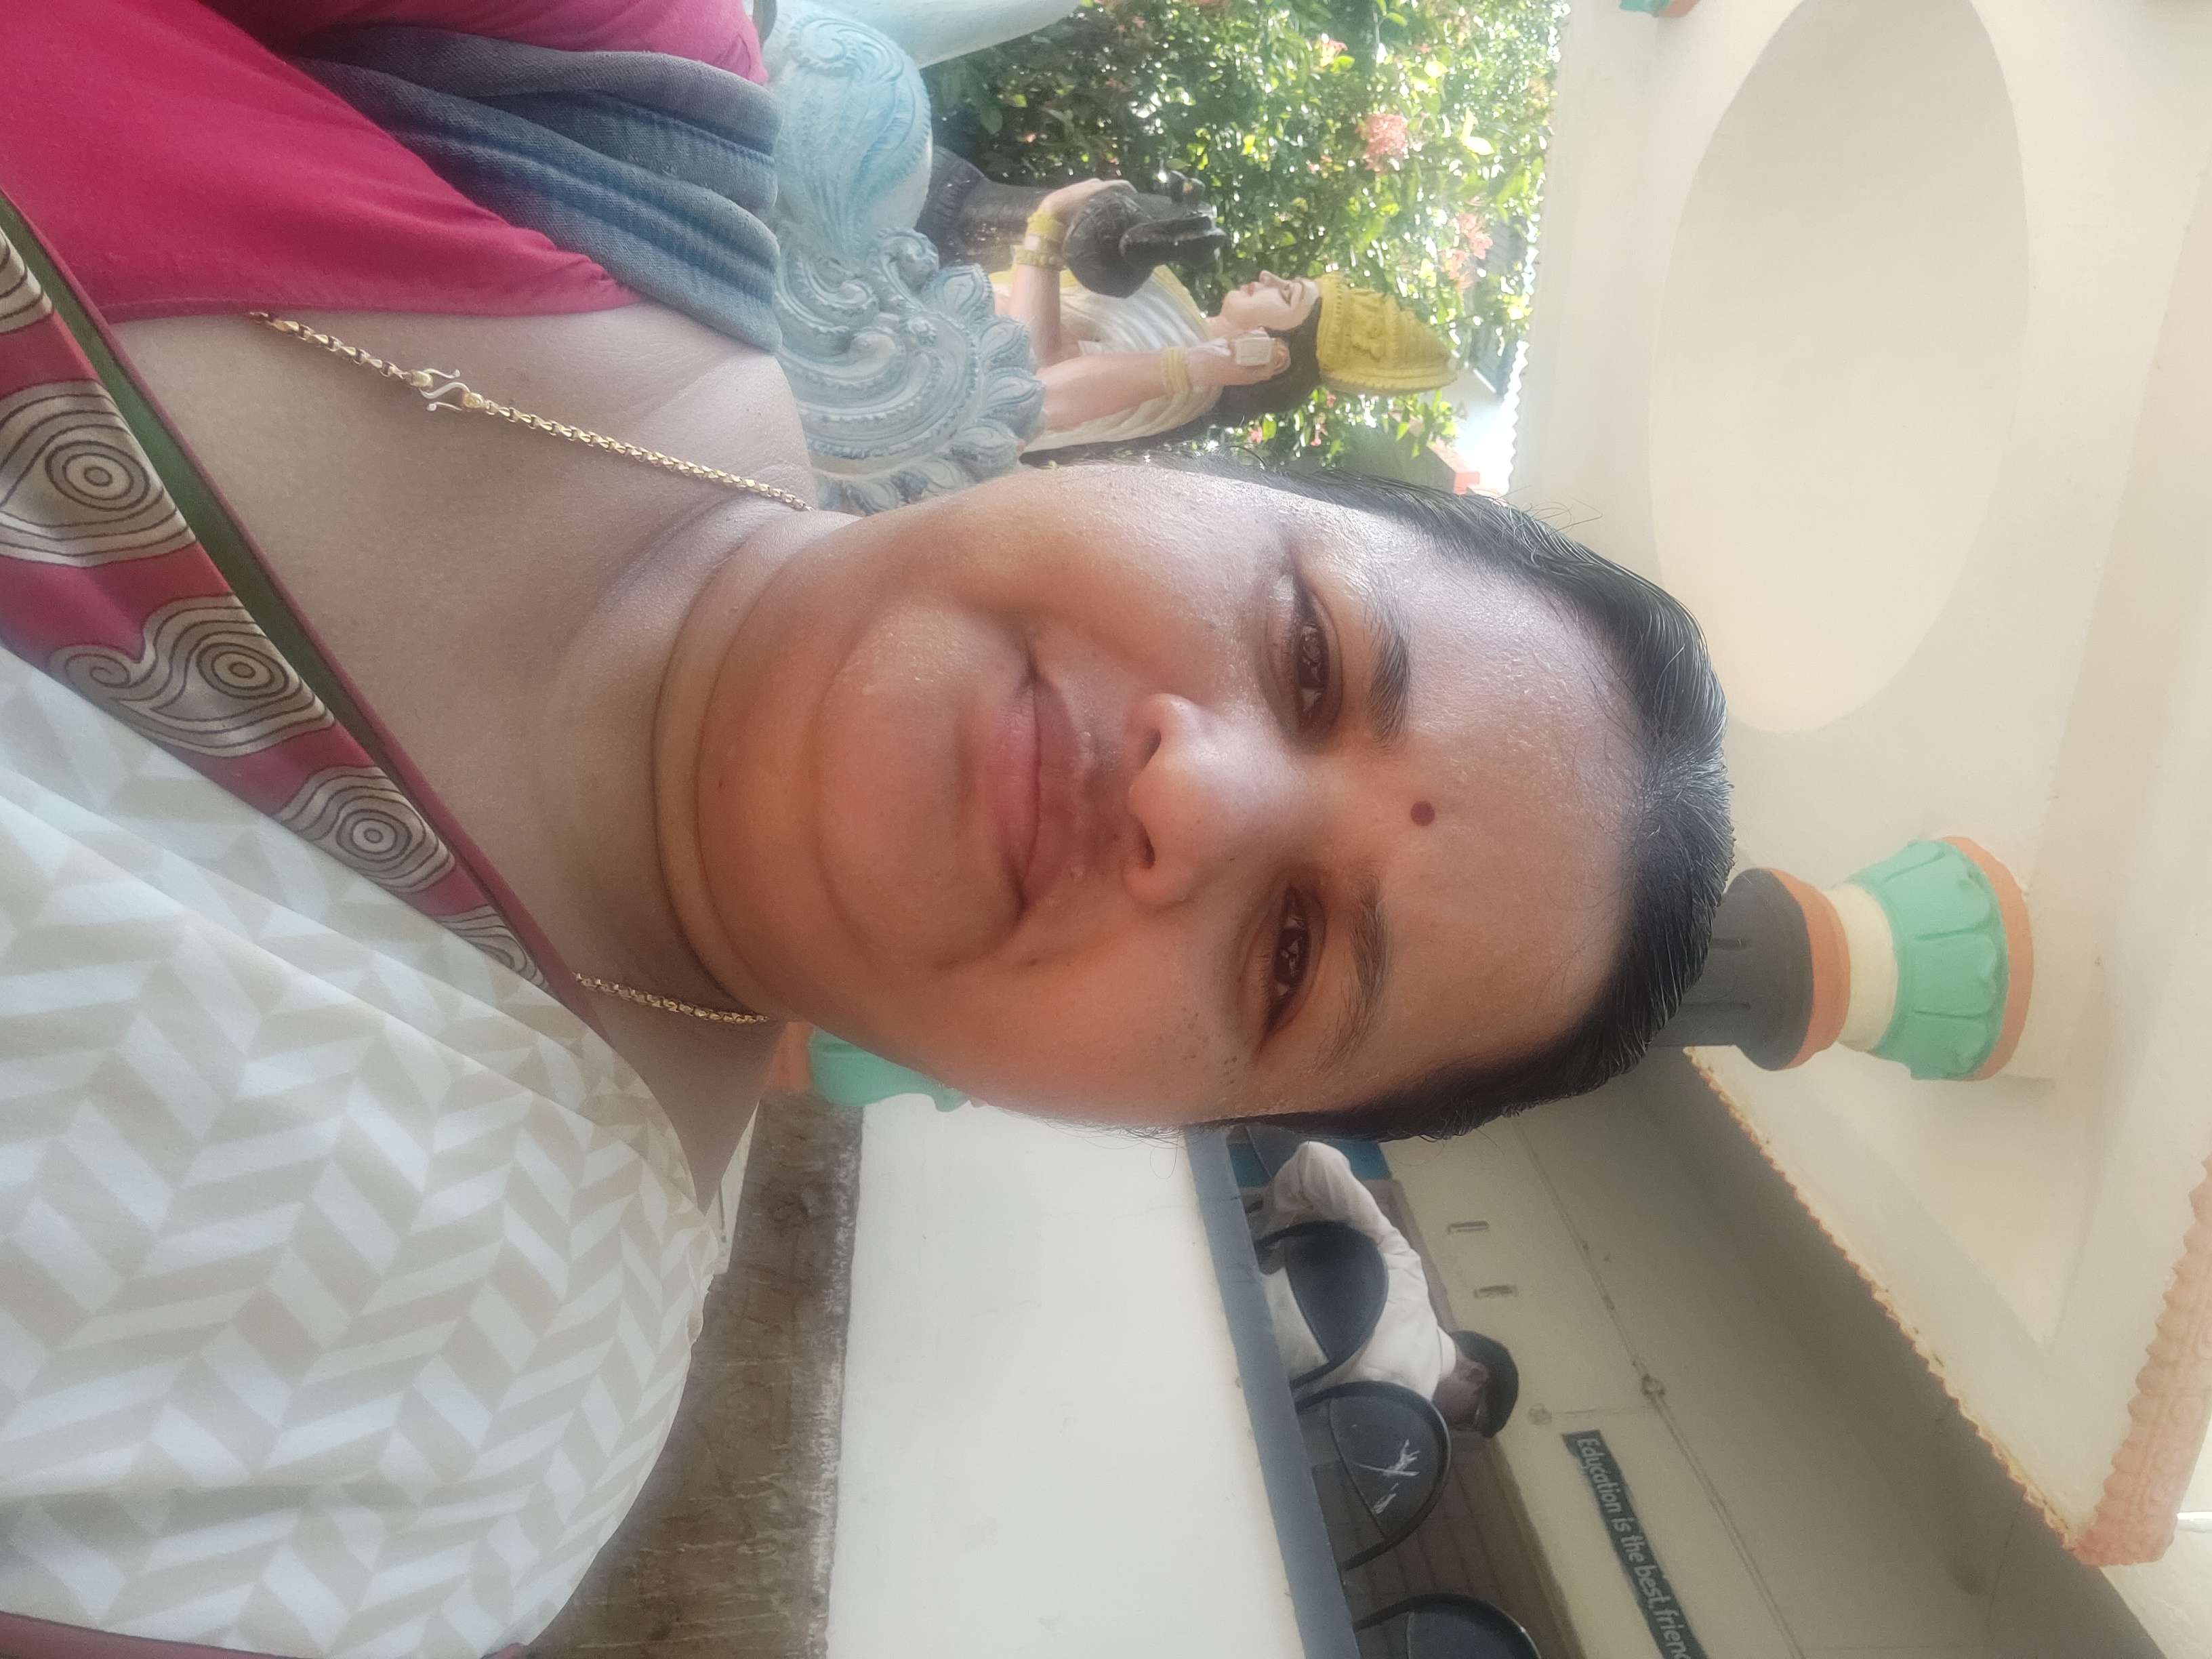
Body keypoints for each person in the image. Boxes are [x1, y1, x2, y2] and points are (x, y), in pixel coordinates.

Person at [0, 3, 1728, 1653]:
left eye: (1287, 957)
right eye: (1308, 653)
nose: (1191, 798)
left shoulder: (430, 1472)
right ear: (1212, 477)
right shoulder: (586, 98)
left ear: (1164, 1120)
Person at [991, 179, 1458, 452]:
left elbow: (1027, 381)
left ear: (1275, 351)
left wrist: (1048, 223)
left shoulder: (1189, 376)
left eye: (1287, 294)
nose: (1269, 276)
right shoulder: (1187, 335)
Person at [1258, 1142, 1517, 1435]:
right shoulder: (1403, 1415)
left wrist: (1259, 1244)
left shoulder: (1406, 1266)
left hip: (1228, 1299)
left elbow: (1315, 1160)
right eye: (1468, 1420)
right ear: (1474, 1374)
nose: (1451, 1426)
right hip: (1240, 1386)